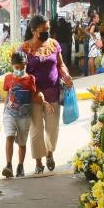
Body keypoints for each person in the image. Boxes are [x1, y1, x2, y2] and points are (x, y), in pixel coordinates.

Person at [21, 13, 72, 174]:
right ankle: (39, 162)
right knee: (36, 130)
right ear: (33, 30)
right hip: (34, 96)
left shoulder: (54, 44)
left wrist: (66, 75)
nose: (46, 32)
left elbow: (61, 65)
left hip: (53, 94)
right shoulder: (24, 49)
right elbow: (20, 74)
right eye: (43, 30)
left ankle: (50, 153)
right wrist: (33, 91)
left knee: (52, 129)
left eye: (48, 29)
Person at [1, 50, 46, 178]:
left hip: (24, 117)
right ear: (12, 66)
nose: (19, 69)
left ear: (26, 65)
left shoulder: (31, 79)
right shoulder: (8, 78)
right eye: (16, 67)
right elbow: (7, 96)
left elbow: (33, 96)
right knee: (9, 136)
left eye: (22, 67)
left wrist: (43, 102)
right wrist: (4, 110)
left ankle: (20, 166)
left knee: (22, 143)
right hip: (10, 114)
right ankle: (8, 165)